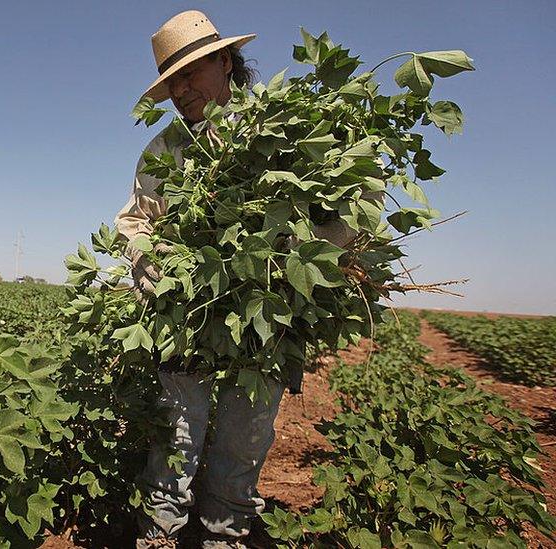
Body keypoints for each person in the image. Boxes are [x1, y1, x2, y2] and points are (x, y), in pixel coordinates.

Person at [115, 10, 382, 548]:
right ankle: (160, 537)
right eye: (172, 82)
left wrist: (301, 263)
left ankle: (224, 535)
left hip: (269, 318)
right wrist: (149, 259)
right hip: (184, 314)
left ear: (224, 61)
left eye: (190, 73)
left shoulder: (288, 124)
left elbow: (363, 195)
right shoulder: (165, 150)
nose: (181, 90)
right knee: (177, 434)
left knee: (244, 437)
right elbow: (133, 222)